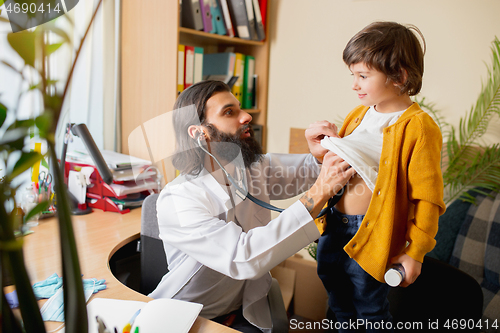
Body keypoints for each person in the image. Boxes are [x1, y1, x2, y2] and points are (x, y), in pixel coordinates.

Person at [149, 80, 356, 333]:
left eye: (240, 108)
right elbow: (243, 257)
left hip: (239, 310)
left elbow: (307, 172)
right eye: (229, 112)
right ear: (200, 133)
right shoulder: (179, 199)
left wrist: (319, 155)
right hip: (186, 317)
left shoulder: (252, 168)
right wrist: (320, 192)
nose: (246, 116)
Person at [314, 22, 446, 332]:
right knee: (337, 303)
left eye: (363, 76)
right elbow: (342, 167)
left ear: (399, 76)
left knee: (369, 308)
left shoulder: (418, 127)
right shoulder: (358, 114)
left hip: (373, 234)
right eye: (353, 76)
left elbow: (427, 198)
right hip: (335, 225)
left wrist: (415, 253)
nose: (354, 85)